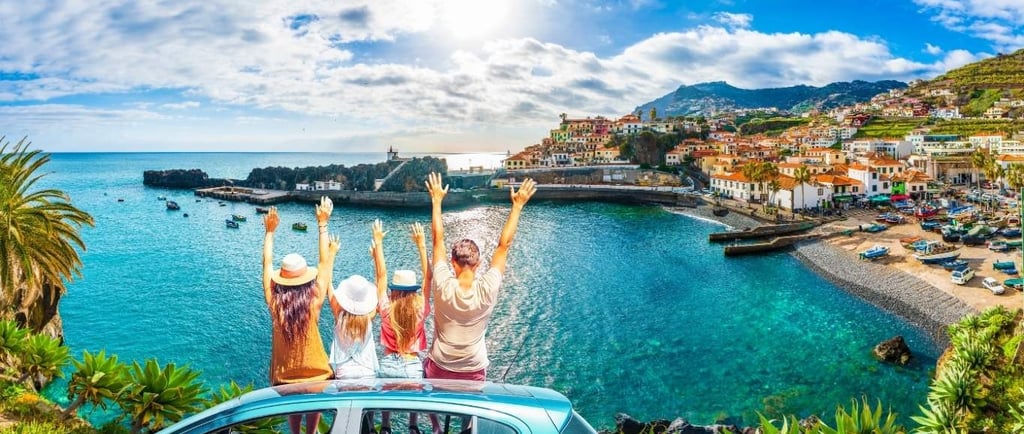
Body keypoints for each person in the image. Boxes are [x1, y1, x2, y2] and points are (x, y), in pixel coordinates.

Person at [423, 172, 537, 380]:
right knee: (470, 413)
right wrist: (517, 206)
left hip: (440, 365)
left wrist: (437, 200)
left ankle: (435, 415)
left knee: (433, 400)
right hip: (473, 367)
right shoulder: (487, 288)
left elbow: (437, 240)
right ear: (479, 263)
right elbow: (504, 246)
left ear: (452, 262)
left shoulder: (443, 284)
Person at [262, 197, 337, 434]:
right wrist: (322, 224)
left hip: (284, 380)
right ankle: (312, 431)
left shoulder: (275, 304)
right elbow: (324, 263)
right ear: (306, 279)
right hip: (318, 376)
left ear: (281, 280)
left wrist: (270, 232)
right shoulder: (314, 301)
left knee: (293, 420)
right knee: (312, 423)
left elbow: (267, 264)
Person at [370, 220, 432, 434]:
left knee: (387, 404)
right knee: (413, 405)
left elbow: (381, 276)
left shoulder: (386, 307)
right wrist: (421, 244)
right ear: (413, 291)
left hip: (388, 363)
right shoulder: (420, 308)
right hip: (412, 364)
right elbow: (428, 279)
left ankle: (386, 426)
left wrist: (378, 243)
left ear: (394, 290)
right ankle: (413, 425)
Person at [327, 273, 379, 379]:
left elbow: (327, 282)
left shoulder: (339, 316)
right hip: (367, 371)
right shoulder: (369, 317)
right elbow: (381, 281)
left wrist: (330, 257)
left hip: (344, 372)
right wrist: (377, 257)